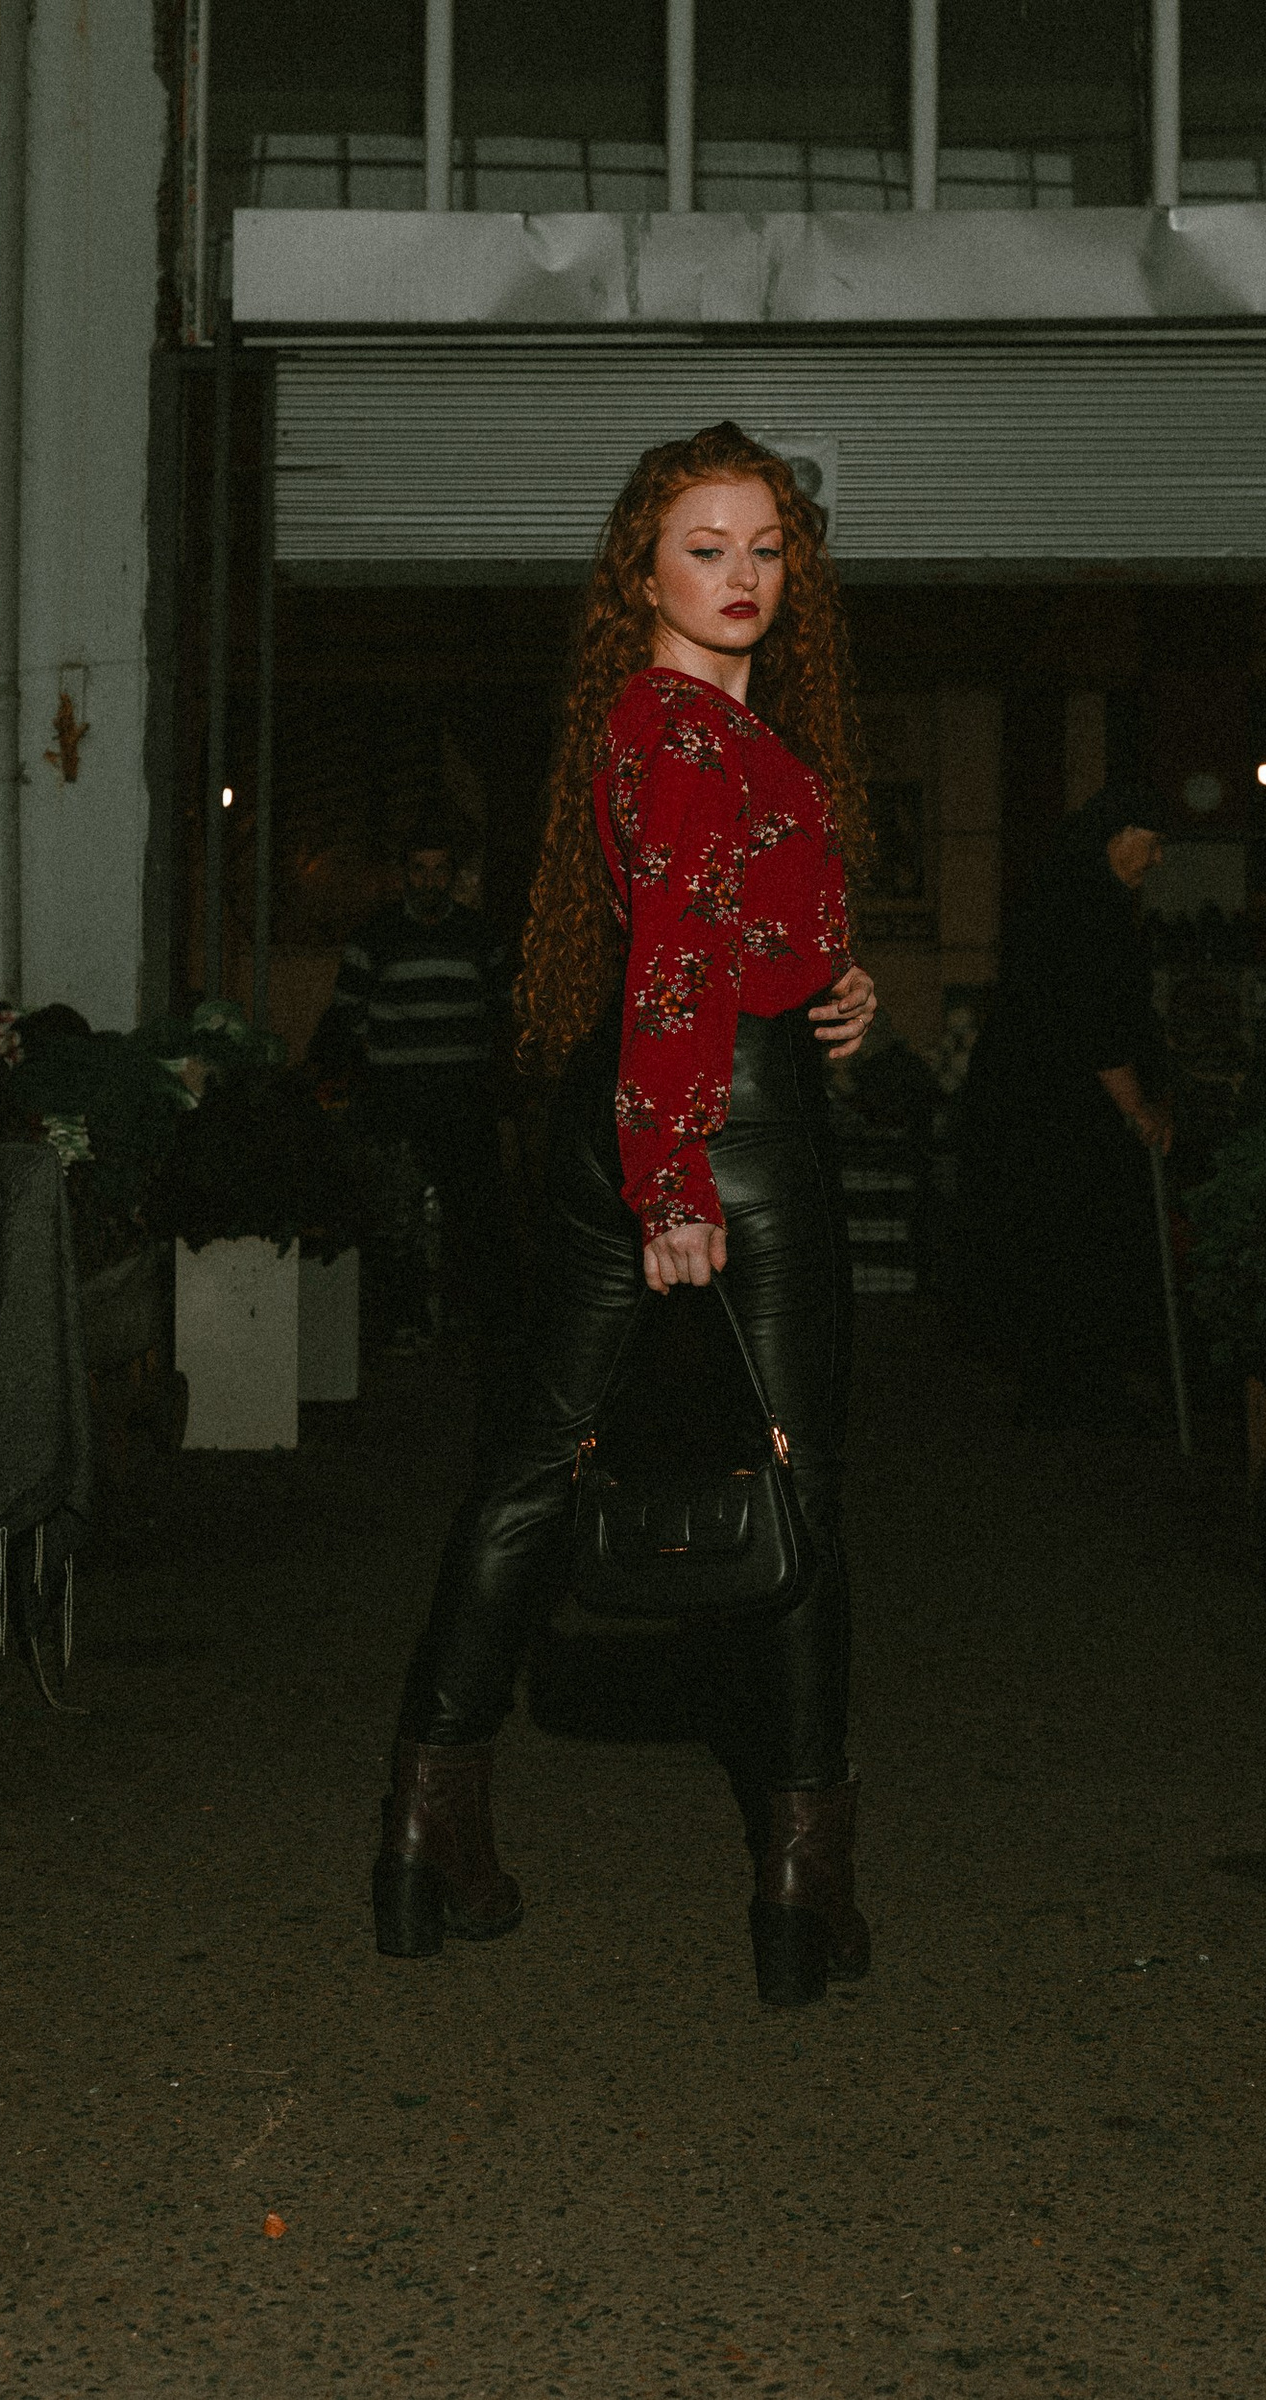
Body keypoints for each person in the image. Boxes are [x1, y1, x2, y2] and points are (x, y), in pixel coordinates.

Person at [370, 422, 880, 2008]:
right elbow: (672, 960)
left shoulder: (692, 726)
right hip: (713, 1123)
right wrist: (676, 1182)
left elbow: (725, 944)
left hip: (648, 1102)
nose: (741, 576)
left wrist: (837, 986)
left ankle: (426, 1829)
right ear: (641, 574)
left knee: (530, 1465)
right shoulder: (679, 729)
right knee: (797, 1487)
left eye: (766, 549)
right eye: (704, 548)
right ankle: (803, 1884)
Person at [957, 781, 1173, 1432]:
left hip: (1039, 1110)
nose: (1157, 859)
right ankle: (1076, 1390)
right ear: (1118, 838)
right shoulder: (1088, 912)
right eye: (1152, 843)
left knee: (1055, 1247)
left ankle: (1062, 1385)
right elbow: (1097, 1022)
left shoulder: (1066, 898)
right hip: (1059, 1117)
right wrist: (1139, 1107)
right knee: (1077, 1246)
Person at [310, 814, 515, 1354]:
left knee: (471, 1212)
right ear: (404, 873)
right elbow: (346, 1013)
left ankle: (468, 1320)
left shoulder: (479, 936)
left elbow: (503, 1014)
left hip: (463, 1097)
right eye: (420, 870)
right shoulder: (375, 936)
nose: (429, 881)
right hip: (397, 1097)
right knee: (393, 1210)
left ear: (453, 875)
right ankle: (400, 1319)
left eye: (439, 870)